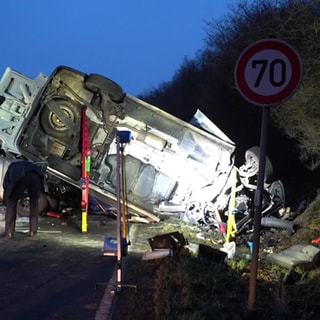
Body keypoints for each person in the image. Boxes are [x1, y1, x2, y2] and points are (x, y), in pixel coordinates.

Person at [2, 161, 46, 239]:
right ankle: (33, 231)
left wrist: (8, 198)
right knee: (34, 202)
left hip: (21, 176)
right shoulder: (27, 165)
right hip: (35, 176)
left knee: (12, 202)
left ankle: (9, 232)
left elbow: (9, 187)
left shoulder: (11, 171)